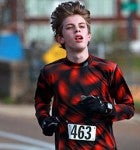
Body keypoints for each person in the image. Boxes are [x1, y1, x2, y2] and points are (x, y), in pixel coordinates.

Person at [34, 1, 134, 150]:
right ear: (60, 38)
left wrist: (106, 108)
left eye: (82, 26)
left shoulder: (109, 69)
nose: (77, 31)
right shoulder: (50, 72)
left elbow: (128, 107)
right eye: (70, 27)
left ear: (89, 36)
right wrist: (45, 121)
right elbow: (41, 104)